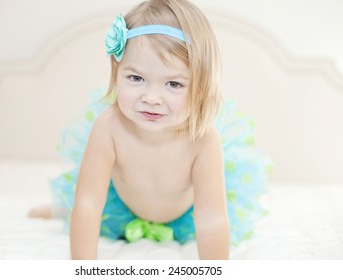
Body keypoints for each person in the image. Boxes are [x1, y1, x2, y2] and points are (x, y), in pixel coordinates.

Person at [29, 0, 271, 260]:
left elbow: (211, 218)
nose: (152, 97)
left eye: (174, 84)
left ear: (201, 86)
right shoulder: (109, 127)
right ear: (116, 70)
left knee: (211, 217)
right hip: (122, 203)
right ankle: (58, 208)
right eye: (136, 78)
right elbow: (89, 204)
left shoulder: (202, 137)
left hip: (185, 214)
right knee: (77, 206)